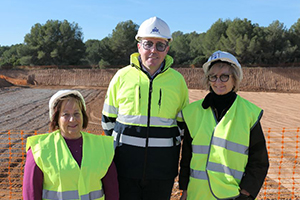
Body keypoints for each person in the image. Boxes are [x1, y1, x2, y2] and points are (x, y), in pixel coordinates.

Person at [101, 16, 189, 200]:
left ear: (168, 48)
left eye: (160, 45)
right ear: (139, 46)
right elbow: (108, 121)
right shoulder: (121, 76)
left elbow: (183, 126)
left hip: (162, 171)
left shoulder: (177, 81)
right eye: (148, 44)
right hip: (124, 167)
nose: (153, 51)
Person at [179, 50, 269, 200]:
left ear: (235, 79)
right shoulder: (192, 112)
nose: (218, 82)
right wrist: (185, 190)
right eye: (213, 77)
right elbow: (186, 157)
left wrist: (246, 193)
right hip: (197, 194)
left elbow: (259, 161)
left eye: (224, 76)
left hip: (231, 195)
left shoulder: (249, 114)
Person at [23, 90, 119, 200]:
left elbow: (112, 192)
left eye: (77, 113)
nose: (72, 119)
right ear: (56, 118)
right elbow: (31, 195)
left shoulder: (101, 147)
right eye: (66, 115)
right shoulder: (38, 149)